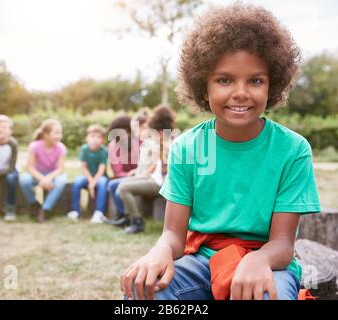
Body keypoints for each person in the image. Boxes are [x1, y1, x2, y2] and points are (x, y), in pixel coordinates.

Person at [120, 3, 321, 300]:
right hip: (203, 260)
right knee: (144, 293)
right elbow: (174, 234)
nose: (240, 92)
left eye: (255, 80)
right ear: (204, 87)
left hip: (268, 263)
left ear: (272, 85)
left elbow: (282, 242)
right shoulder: (187, 147)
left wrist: (258, 259)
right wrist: (159, 251)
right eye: (224, 80)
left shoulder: (293, 150)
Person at [117, 105, 176, 234]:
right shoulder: (162, 142)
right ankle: (129, 219)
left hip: (161, 183)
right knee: (124, 183)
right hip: (155, 179)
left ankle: (137, 222)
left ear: (161, 131)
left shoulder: (170, 144)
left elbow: (166, 170)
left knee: (124, 188)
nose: (152, 135)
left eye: (154, 131)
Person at [19, 119, 67, 223]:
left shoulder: (61, 148)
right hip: (37, 174)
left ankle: (45, 209)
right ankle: (34, 204)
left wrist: (49, 178)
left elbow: (60, 168)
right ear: (46, 134)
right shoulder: (35, 146)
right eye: (56, 133)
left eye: (60, 132)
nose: (59, 135)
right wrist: (42, 178)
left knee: (61, 181)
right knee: (24, 179)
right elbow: (29, 167)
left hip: (53, 175)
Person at [67, 124, 109, 223]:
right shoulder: (84, 149)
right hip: (87, 177)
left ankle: (99, 213)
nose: (95, 139)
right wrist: (90, 181)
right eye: (92, 136)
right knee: (77, 182)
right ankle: (75, 211)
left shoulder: (103, 151)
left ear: (103, 140)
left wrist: (94, 182)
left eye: (99, 137)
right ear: (87, 138)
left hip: (99, 177)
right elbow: (84, 167)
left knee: (103, 183)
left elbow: (101, 169)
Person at [103, 115, 140, 227]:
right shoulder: (113, 145)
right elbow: (117, 170)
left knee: (115, 185)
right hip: (126, 176)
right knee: (113, 185)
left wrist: (137, 173)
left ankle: (126, 217)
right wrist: (130, 175)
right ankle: (123, 215)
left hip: (141, 175)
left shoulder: (138, 142)